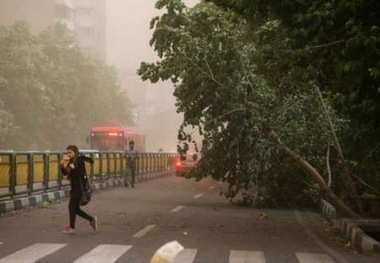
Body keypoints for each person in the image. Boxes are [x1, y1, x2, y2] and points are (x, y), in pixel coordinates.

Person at [60, 145, 98, 234]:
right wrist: (62, 166)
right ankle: (91, 219)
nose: (68, 154)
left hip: (79, 188)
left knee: (71, 206)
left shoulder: (79, 161)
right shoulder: (71, 161)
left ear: (75, 152)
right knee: (75, 209)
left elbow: (81, 174)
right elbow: (66, 174)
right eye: (67, 152)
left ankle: (72, 227)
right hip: (74, 188)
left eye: (70, 152)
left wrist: (75, 168)